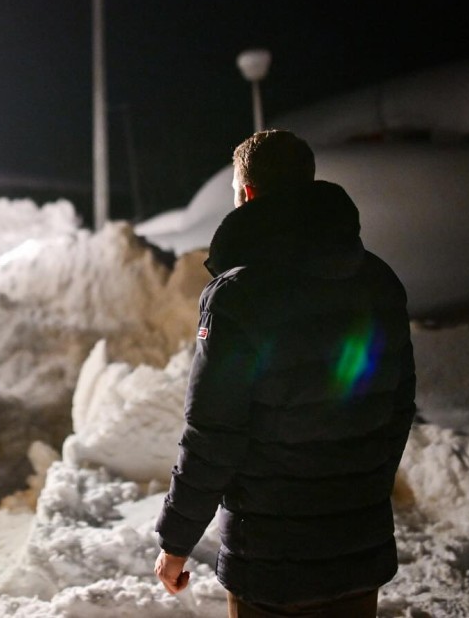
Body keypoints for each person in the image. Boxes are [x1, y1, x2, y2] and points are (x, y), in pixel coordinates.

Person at [153, 130, 416, 617]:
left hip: (271, 561)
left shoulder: (237, 297)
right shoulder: (379, 280)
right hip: (358, 550)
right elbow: (398, 409)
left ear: (247, 193)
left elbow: (214, 434)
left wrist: (176, 541)